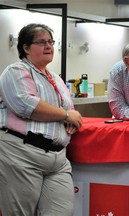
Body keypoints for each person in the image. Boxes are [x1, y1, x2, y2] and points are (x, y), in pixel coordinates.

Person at [0, 23, 82, 215]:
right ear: (26, 48)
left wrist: (72, 118)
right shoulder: (16, 71)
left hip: (58, 159)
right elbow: (25, 104)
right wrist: (65, 115)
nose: (49, 46)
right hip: (22, 155)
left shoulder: (55, 77)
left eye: (50, 42)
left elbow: (70, 109)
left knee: (62, 211)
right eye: (41, 42)